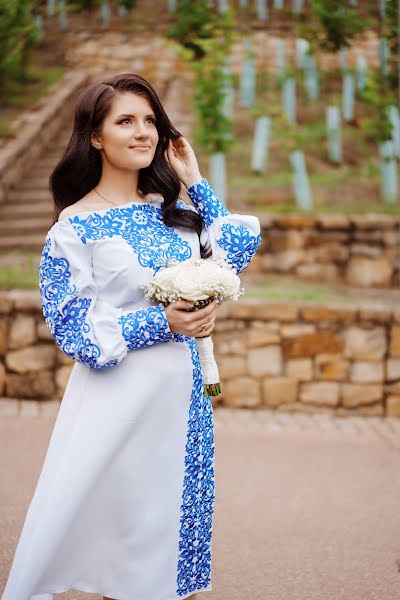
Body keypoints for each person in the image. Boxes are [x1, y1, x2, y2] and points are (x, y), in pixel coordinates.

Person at [1, 73, 261, 600]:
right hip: (117, 399)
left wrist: (195, 180)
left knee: (160, 536)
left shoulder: (174, 214)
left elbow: (231, 253)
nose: (142, 132)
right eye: (125, 121)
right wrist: (162, 323)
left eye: (149, 121)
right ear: (94, 137)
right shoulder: (74, 228)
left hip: (181, 399)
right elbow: (74, 330)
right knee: (114, 530)